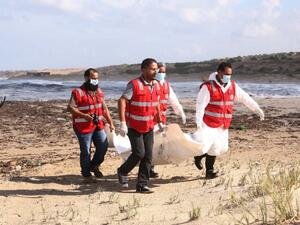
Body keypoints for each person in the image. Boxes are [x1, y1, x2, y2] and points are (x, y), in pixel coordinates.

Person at [193, 62, 264, 179]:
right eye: (226, 74)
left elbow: (245, 98)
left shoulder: (232, 86)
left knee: (223, 148)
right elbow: (200, 105)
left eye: (230, 74)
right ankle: (209, 171)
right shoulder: (208, 87)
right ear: (219, 72)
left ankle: (199, 156)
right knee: (214, 148)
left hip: (223, 124)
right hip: (209, 123)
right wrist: (198, 122)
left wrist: (256, 108)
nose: (228, 76)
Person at [117, 58, 163, 193]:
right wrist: (123, 123)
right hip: (134, 126)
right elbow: (122, 101)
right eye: (153, 69)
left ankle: (142, 185)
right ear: (143, 70)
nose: (156, 72)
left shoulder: (156, 85)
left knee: (148, 156)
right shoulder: (134, 84)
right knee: (139, 153)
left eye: (157, 69)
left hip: (149, 126)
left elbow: (156, 104)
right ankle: (122, 171)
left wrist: (159, 121)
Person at [68, 68, 115, 182]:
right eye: (93, 78)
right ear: (86, 78)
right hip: (83, 127)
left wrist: (111, 123)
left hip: (98, 125)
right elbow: (70, 108)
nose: (95, 80)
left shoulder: (98, 91)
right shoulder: (78, 92)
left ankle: (94, 165)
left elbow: (104, 109)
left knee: (103, 147)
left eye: (96, 78)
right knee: (86, 151)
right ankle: (86, 174)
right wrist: (84, 116)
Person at [149, 62, 187, 178]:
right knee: (151, 144)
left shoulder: (166, 86)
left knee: (159, 144)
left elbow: (173, 100)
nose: (161, 73)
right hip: (150, 119)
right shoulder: (150, 84)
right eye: (159, 71)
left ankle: (151, 167)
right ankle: (147, 168)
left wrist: (181, 112)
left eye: (163, 71)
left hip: (162, 119)